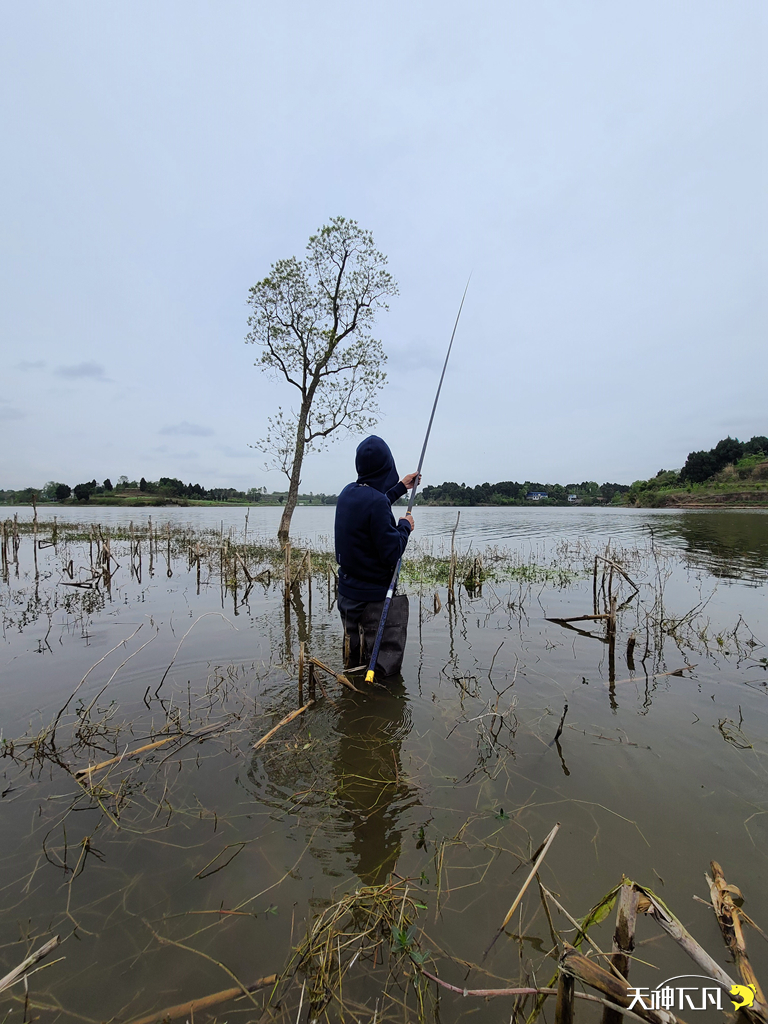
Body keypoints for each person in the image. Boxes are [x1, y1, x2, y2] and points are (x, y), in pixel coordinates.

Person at [334, 436, 420, 678]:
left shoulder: (347, 493)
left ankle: (355, 698)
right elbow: (392, 551)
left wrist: (402, 487)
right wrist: (404, 526)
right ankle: (381, 704)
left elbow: (375, 502)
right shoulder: (376, 503)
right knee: (383, 673)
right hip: (372, 601)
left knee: (354, 660)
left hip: (347, 595)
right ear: (386, 468)